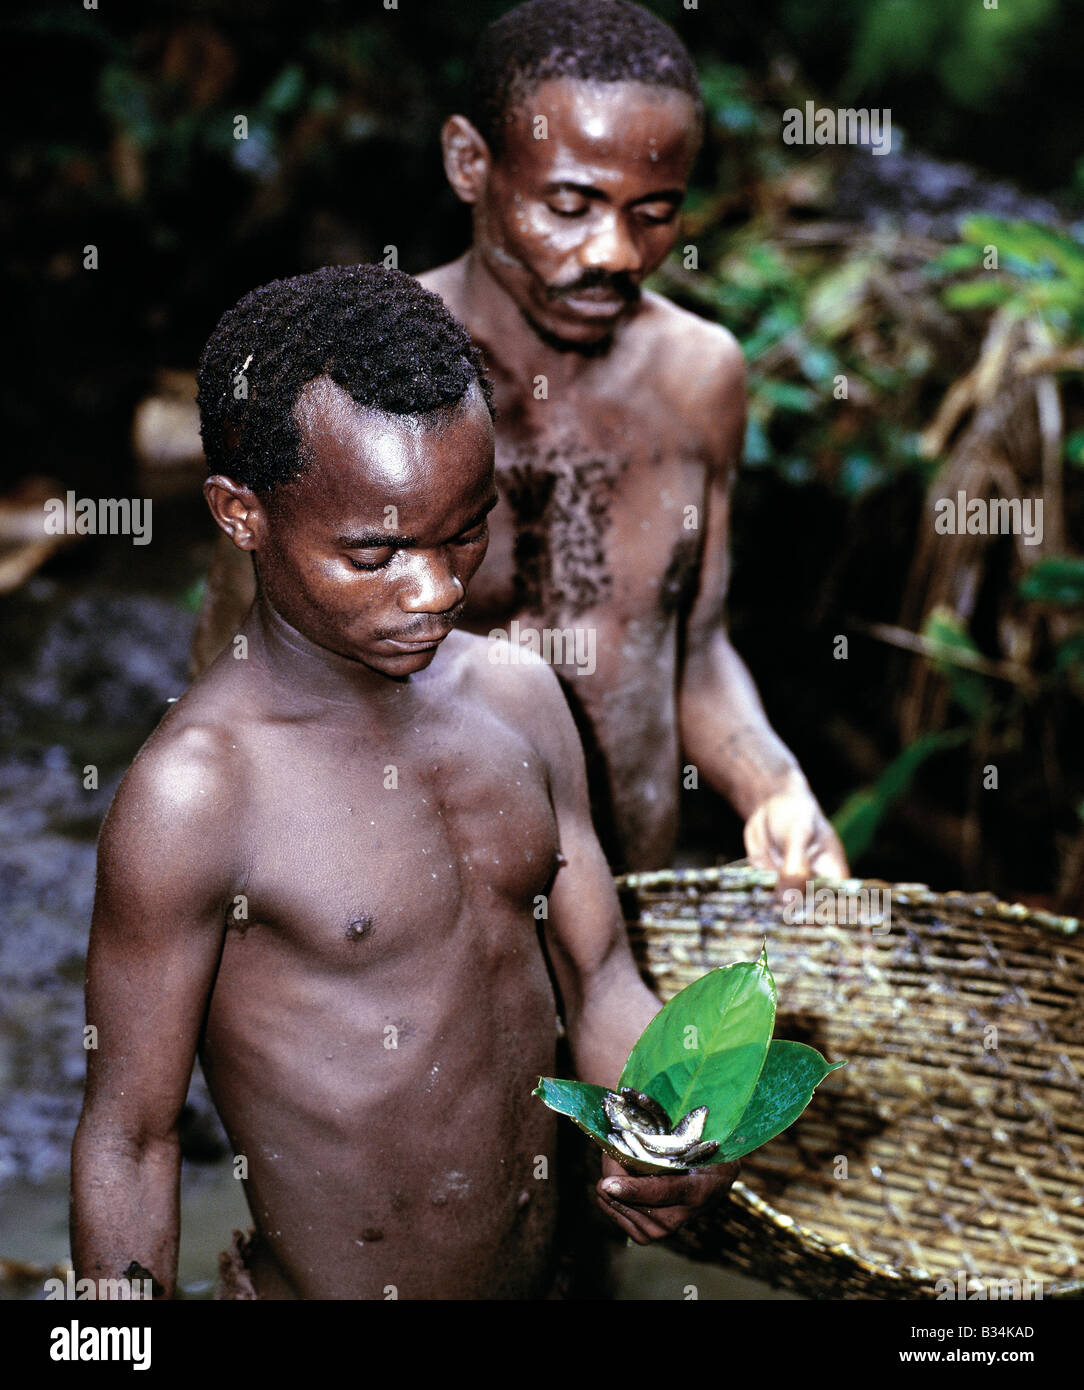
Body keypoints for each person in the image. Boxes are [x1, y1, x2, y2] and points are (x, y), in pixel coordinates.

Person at [71, 265, 736, 1301]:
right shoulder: (199, 797)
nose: (434, 590)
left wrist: (668, 1129)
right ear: (240, 514)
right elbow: (131, 1138)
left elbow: (597, 975)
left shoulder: (517, 696)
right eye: (374, 551)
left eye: (463, 529)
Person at [190, 0, 847, 883]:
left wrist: (774, 786)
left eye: (654, 212)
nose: (614, 250)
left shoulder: (700, 379)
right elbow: (226, 691)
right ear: (470, 162)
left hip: (630, 908)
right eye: (570, 205)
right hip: (413, 936)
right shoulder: (333, 385)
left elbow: (690, 650)